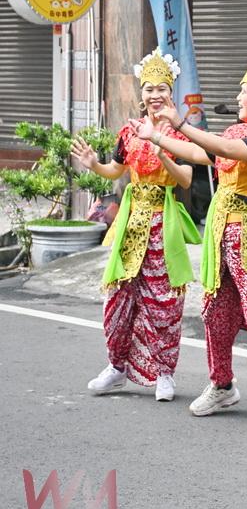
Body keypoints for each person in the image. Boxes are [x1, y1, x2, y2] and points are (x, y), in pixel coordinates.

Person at [134, 55, 247, 434]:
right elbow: (204, 154)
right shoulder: (234, 130)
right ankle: (222, 384)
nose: (238, 95)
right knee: (215, 311)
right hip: (224, 235)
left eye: (243, 91)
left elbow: (229, 153)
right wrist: (159, 138)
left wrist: (180, 122)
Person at [72, 49, 200, 402]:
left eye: (161, 88)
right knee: (118, 298)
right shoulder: (129, 131)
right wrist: (95, 164)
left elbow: (186, 180)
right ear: (140, 93)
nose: (155, 95)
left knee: (163, 302)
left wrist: (162, 151)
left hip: (162, 221)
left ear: (171, 91)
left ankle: (164, 374)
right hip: (130, 225)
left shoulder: (181, 132)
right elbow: (117, 170)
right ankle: (116, 367)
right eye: (148, 89)